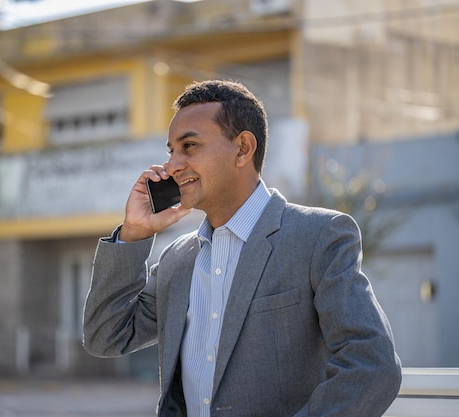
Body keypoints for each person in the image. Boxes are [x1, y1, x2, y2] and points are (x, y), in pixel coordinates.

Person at [83, 80, 402, 417]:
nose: (172, 165)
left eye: (189, 146)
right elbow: (105, 336)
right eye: (171, 151)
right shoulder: (177, 259)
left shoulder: (318, 236)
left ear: (243, 149)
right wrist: (133, 233)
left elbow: (372, 366)